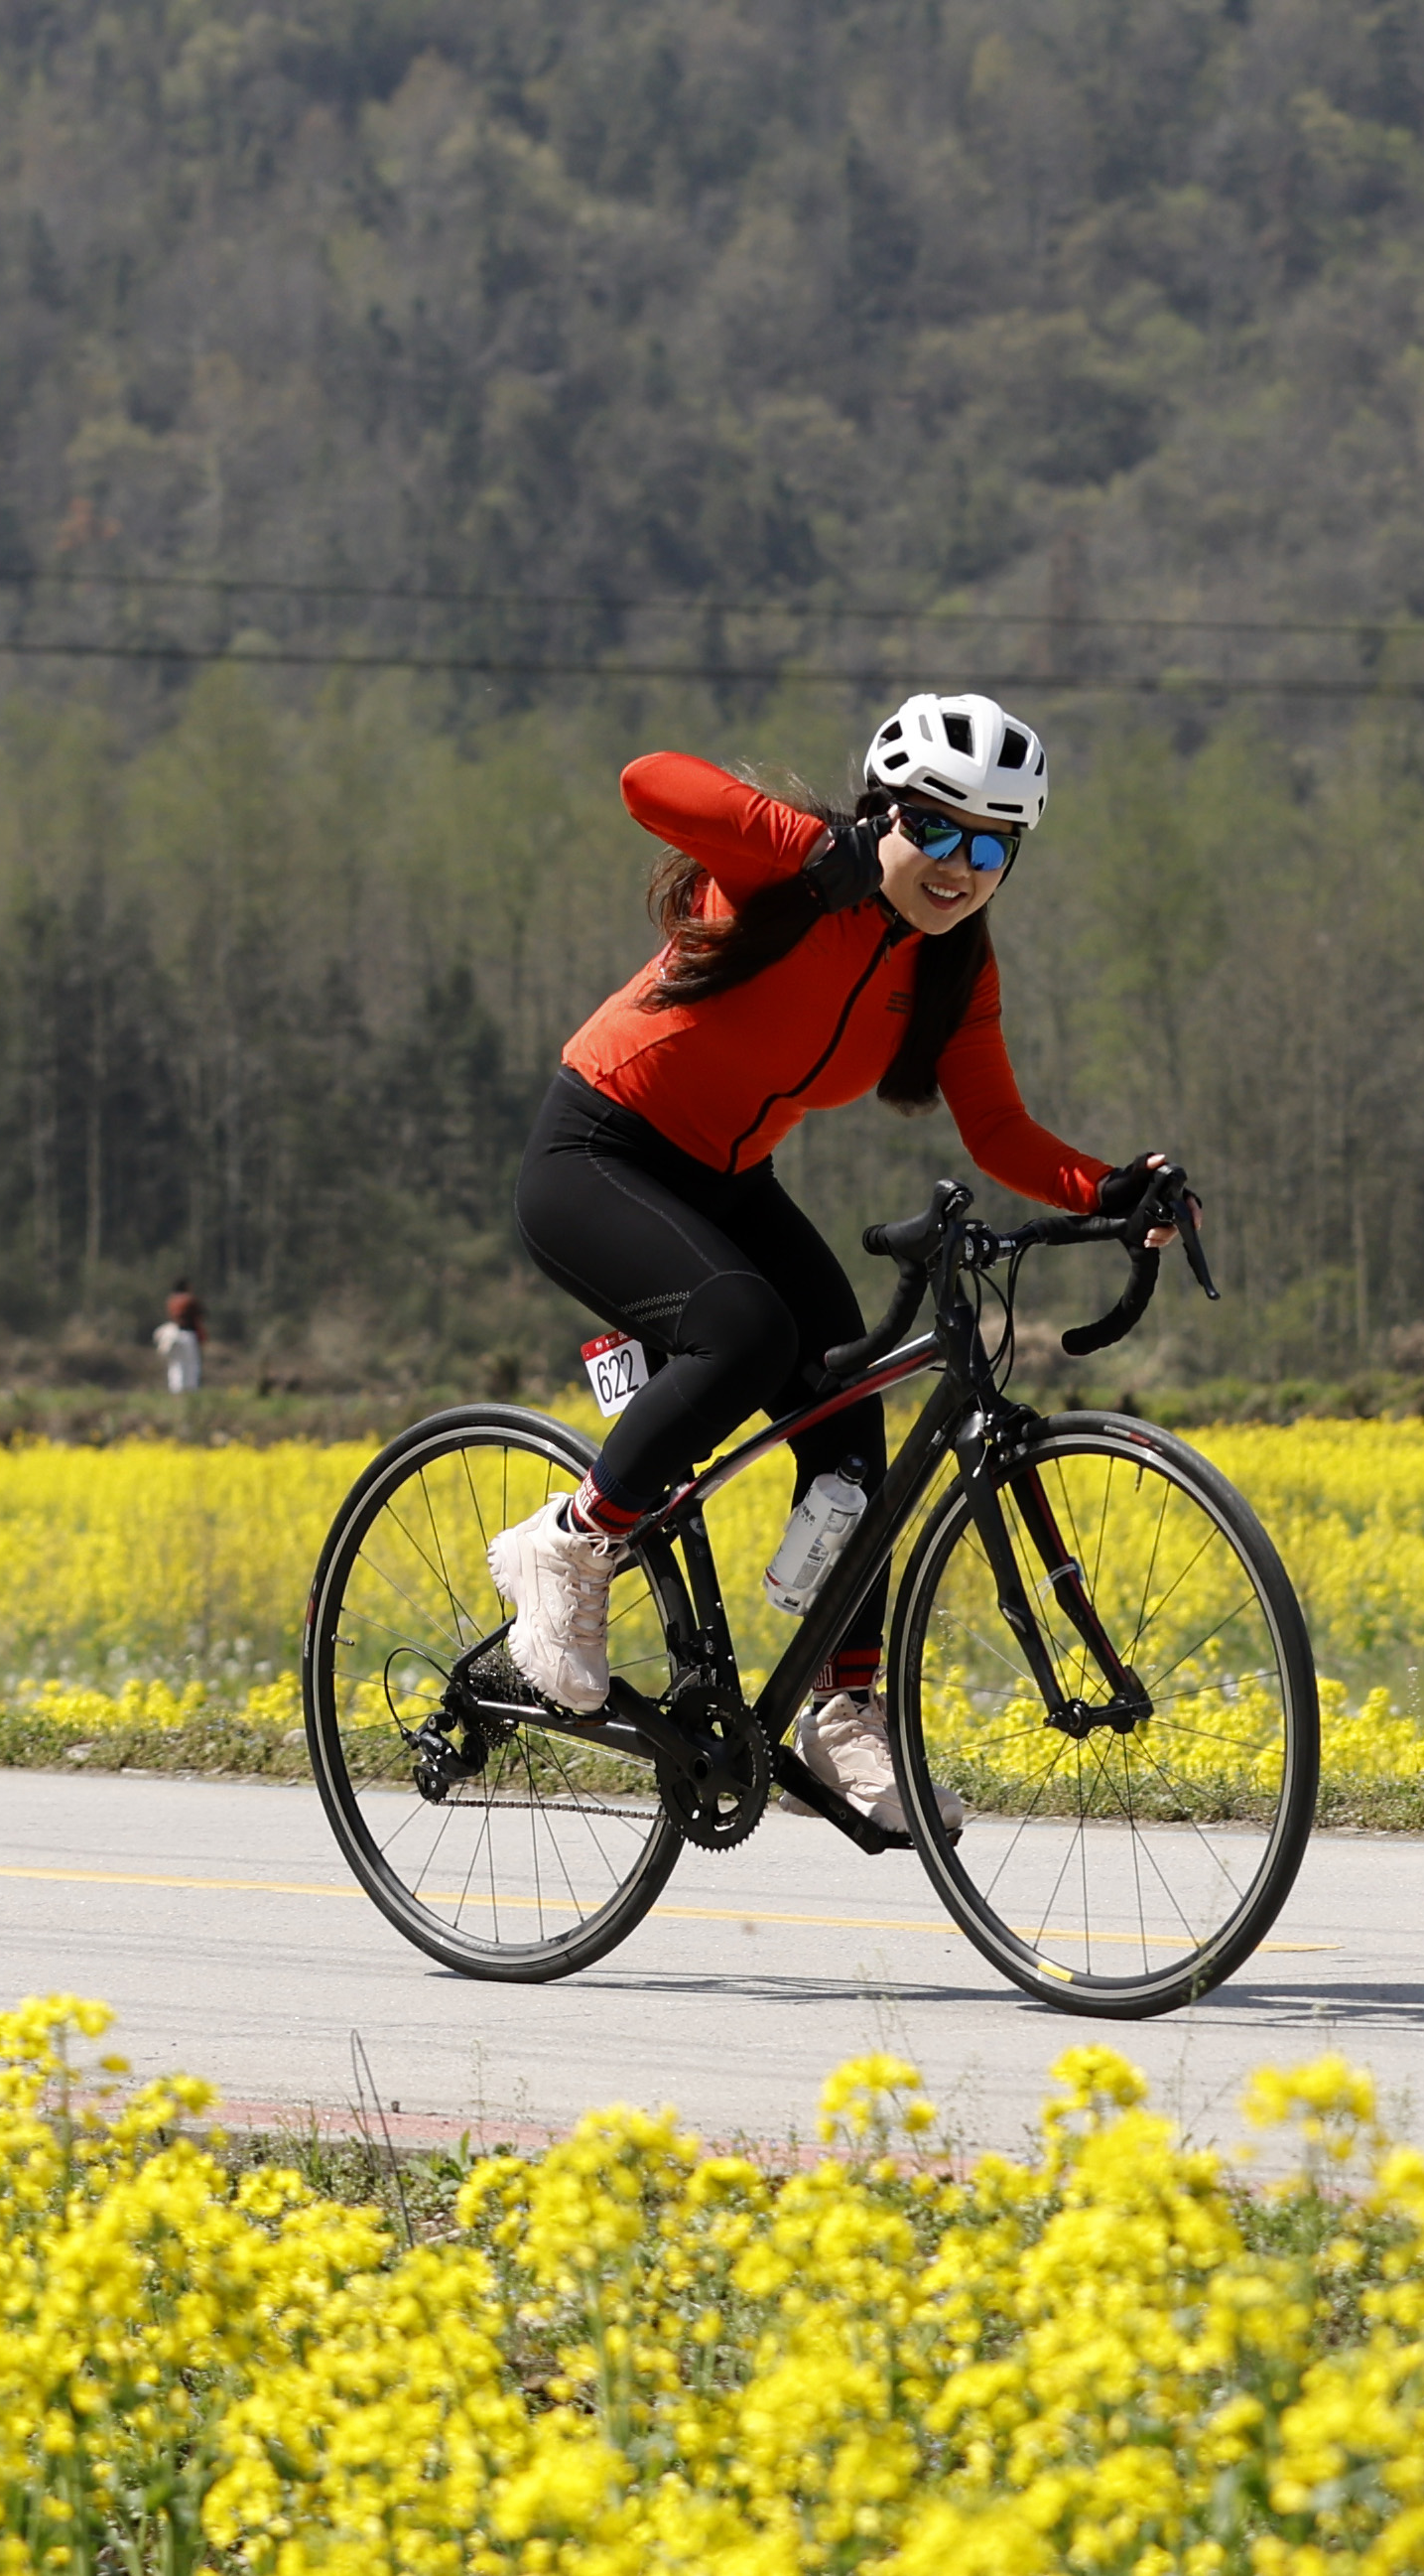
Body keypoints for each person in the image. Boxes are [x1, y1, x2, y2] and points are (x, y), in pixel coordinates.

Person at [485, 692, 1177, 1842]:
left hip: (725, 1180)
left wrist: (1111, 1188)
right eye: (937, 828)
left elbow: (999, 1132)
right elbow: (645, 778)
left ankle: (842, 1713)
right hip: (596, 1148)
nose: (960, 864)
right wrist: (817, 850)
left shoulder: (957, 970)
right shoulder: (792, 868)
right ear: (883, 811)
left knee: (853, 1411)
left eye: (993, 843)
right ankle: (566, 1543)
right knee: (746, 1332)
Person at [154, 1278, 204, 1396]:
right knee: (191, 1365)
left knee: (176, 1365)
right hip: (188, 1335)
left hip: (174, 1334)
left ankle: (176, 1391)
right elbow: (200, 1314)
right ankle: (190, 1392)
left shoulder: (171, 1300)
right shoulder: (189, 1300)